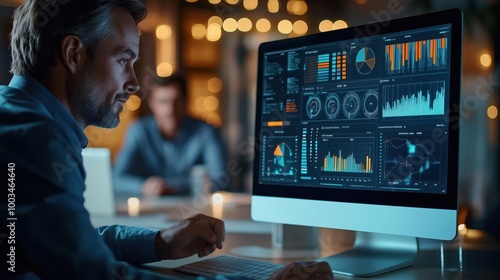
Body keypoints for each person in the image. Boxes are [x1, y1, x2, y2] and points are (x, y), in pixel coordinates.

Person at [0, 1, 333, 279]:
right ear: (73, 53)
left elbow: (63, 244)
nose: (133, 83)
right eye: (123, 60)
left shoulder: (21, 119)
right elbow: (92, 273)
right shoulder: (36, 138)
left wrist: (158, 243)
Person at [113, 74, 226, 197]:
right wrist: (143, 186)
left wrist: (170, 187)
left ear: (186, 101)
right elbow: (116, 178)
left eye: (176, 101)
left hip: (196, 210)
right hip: (148, 210)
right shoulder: (138, 131)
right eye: (163, 102)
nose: (170, 110)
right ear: (152, 103)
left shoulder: (206, 132)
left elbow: (220, 178)